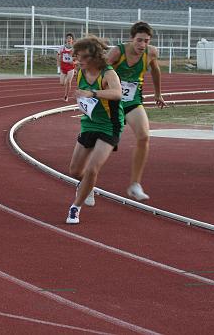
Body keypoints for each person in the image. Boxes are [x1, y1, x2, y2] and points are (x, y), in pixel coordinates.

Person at [66, 36, 124, 224]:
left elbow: (117, 93)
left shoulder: (107, 73)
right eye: (77, 56)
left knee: (93, 168)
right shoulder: (81, 72)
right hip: (89, 123)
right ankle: (87, 186)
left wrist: (92, 93)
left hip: (110, 125)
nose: (78, 60)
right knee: (75, 171)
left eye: (82, 57)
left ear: (94, 57)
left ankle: (75, 208)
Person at [106, 21, 165, 201]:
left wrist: (158, 94)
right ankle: (86, 183)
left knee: (144, 136)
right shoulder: (117, 52)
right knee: (104, 145)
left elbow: (156, 70)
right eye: (139, 40)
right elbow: (101, 72)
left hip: (133, 101)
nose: (142, 45)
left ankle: (135, 184)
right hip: (111, 103)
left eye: (146, 41)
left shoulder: (151, 53)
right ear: (131, 39)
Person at [57, 33, 76, 101]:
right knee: (62, 83)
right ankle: (65, 82)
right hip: (63, 67)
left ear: (72, 40)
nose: (69, 39)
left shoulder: (75, 48)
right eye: (68, 38)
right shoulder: (61, 48)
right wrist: (58, 68)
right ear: (66, 39)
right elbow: (58, 58)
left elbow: (79, 58)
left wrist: (74, 62)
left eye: (70, 38)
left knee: (68, 82)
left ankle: (66, 96)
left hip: (71, 67)